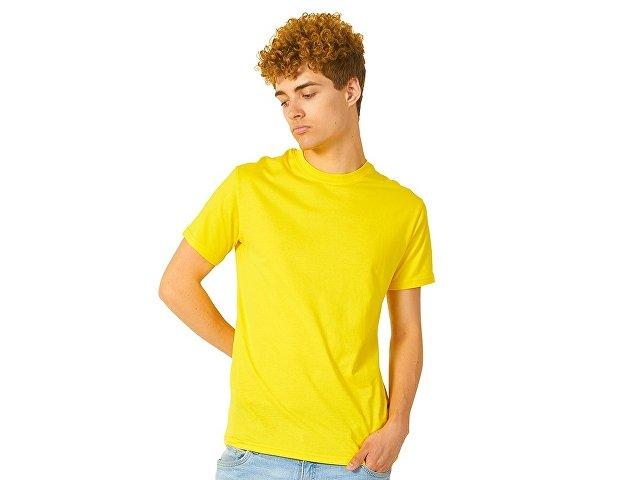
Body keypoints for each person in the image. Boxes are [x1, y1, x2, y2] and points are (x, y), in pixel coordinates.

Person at [159, 12, 435, 480]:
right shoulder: (250, 186)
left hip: (354, 457)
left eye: (307, 93)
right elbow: (176, 284)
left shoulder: (404, 209)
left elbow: (407, 331)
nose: (293, 111)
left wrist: (398, 426)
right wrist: (249, 351)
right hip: (256, 455)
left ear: (351, 90)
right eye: (284, 98)